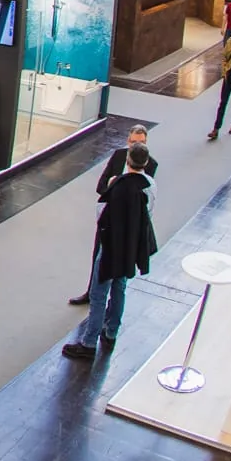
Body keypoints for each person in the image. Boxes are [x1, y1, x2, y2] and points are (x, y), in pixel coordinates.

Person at [61, 146, 157, 360]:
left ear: (129, 160)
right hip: (131, 246)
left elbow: (102, 213)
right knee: (120, 287)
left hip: (112, 245)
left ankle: (88, 343)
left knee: (99, 293)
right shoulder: (150, 185)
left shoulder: (119, 184)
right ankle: (111, 332)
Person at [68, 125, 158, 305]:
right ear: (127, 140)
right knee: (99, 258)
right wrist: (113, 187)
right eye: (133, 142)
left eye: (140, 143)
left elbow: (143, 197)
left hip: (130, 225)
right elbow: (101, 187)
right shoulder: (118, 157)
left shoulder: (150, 165)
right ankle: (92, 292)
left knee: (122, 272)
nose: (135, 146)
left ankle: (111, 305)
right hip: (109, 220)